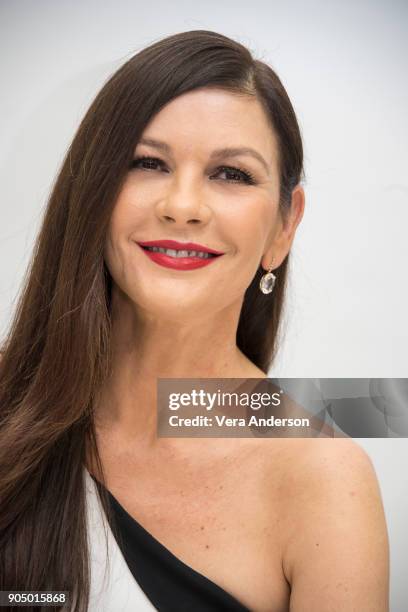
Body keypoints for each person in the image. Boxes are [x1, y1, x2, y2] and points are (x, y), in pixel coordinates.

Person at [0, 30, 389, 611]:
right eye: (147, 163)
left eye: (231, 174)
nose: (182, 206)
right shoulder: (11, 410)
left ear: (285, 226)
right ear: (93, 194)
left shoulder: (327, 481)